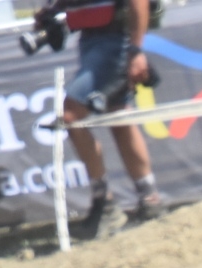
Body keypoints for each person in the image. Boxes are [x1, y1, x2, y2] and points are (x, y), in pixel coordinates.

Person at [57, 0, 166, 234]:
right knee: (119, 116)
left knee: (71, 115)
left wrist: (136, 51)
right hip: (90, 40)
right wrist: (51, 11)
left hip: (114, 41)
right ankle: (149, 198)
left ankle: (105, 203)